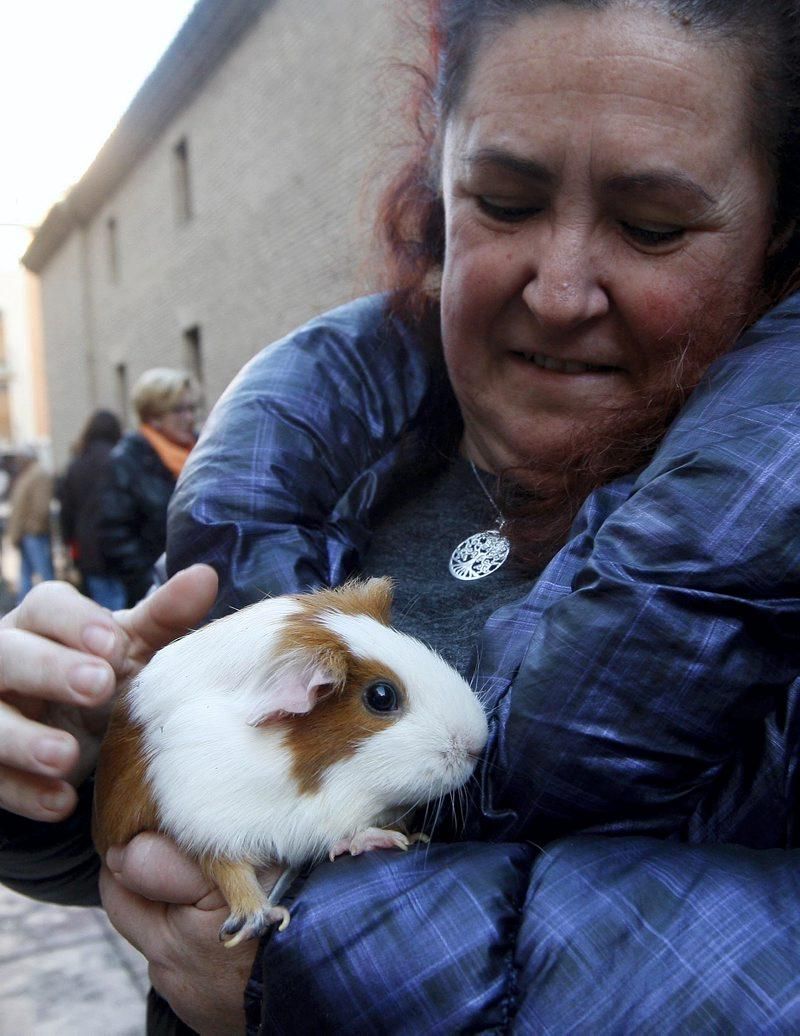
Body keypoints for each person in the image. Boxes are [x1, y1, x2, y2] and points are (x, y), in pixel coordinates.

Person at [1, 0, 800, 1031]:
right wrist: (66, 760)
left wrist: (325, 975)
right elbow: (194, 835)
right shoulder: (302, 483)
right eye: (503, 202)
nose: (557, 292)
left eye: (649, 227)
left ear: (777, 227)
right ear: (436, 193)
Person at [100, 368, 198, 607]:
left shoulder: (203, 451)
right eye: (178, 410)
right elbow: (115, 536)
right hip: (159, 596)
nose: (189, 418)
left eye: (191, 408)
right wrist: (149, 586)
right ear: (153, 417)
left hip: (205, 590)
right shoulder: (127, 460)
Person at [58, 409, 127, 611]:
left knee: (102, 607)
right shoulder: (119, 458)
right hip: (120, 547)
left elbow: (66, 511)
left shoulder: (76, 466)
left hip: (88, 548)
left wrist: (69, 543)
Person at [6, 450, 55, 603]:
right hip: (27, 533)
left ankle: (53, 606)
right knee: (27, 576)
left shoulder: (38, 474)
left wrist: (31, 527)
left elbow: (40, 507)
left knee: (44, 575)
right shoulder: (28, 474)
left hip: (33, 533)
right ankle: (23, 611)